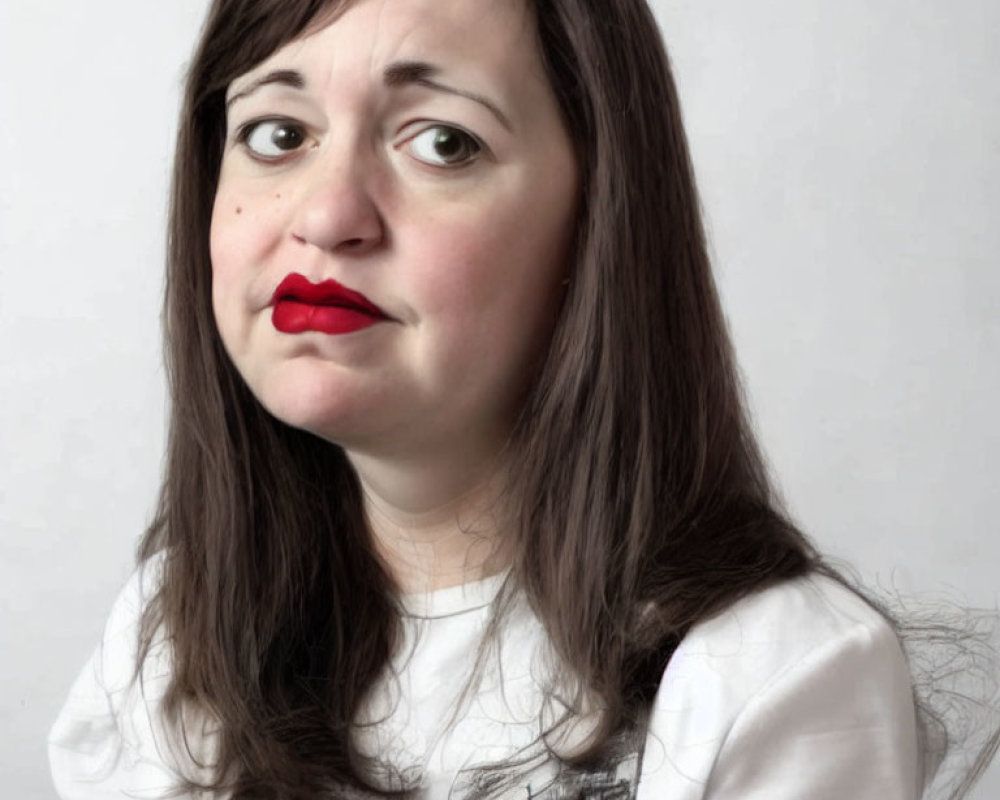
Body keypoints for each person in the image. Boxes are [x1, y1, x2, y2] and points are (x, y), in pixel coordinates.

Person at [49, 0, 964, 797]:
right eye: (279, 134)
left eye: (443, 142)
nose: (326, 216)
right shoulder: (171, 632)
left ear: (597, 224)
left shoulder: (775, 682)